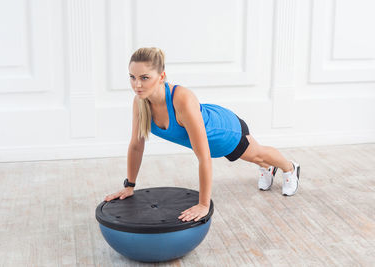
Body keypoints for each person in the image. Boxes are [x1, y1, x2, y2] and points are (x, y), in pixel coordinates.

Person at [104, 47, 300, 222]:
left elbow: (203, 156)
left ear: (161, 77)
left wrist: (204, 204)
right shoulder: (140, 102)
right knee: (255, 157)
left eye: (144, 77)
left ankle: (290, 168)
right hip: (210, 137)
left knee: (257, 154)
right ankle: (267, 168)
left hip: (224, 131)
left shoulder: (181, 99)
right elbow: (136, 145)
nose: (137, 84)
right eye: (132, 77)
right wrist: (129, 185)